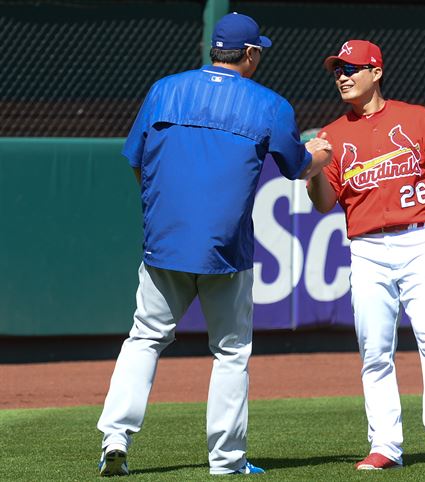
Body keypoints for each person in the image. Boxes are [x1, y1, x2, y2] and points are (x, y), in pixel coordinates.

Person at [96, 12, 332, 477]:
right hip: (226, 250)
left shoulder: (164, 88)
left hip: (165, 242)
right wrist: (321, 153)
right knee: (230, 352)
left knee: (144, 338)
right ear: (250, 54)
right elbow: (297, 166)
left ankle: (115, 438)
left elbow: (137, 162)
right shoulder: (270, 104)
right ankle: (226, 461)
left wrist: (162, 214)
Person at [307, 40, 425, 470]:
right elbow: (322, 203)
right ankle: (386, 445)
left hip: (421, 240)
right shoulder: (332, 135)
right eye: (337, 70)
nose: (343, 76)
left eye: (352, 68)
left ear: (376, 72)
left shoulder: (416, 118)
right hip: (367, 249)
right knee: (374, 350)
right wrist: (313, 169)